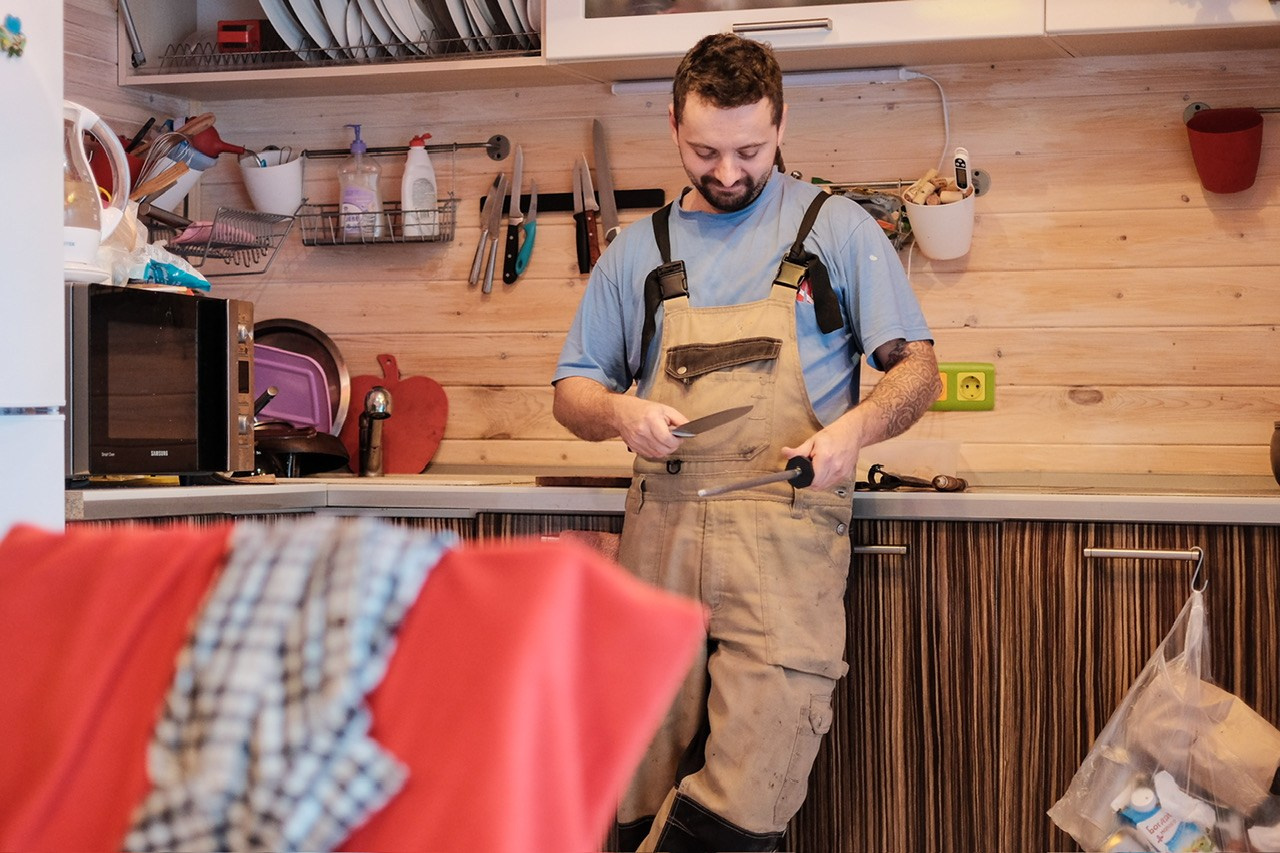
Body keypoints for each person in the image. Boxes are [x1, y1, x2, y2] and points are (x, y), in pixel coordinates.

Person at [551, 32, 941, 852]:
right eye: (705, 151)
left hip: (785, 549)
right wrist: (621, 413)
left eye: (750, 151)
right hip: (660, 547)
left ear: (782, 125)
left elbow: (919, 374)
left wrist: (855, 429)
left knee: (741, 807)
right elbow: (572, 393)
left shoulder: (837, 229)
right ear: (672, 128)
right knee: (629, 798)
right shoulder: (636, 252)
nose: (727, 173)